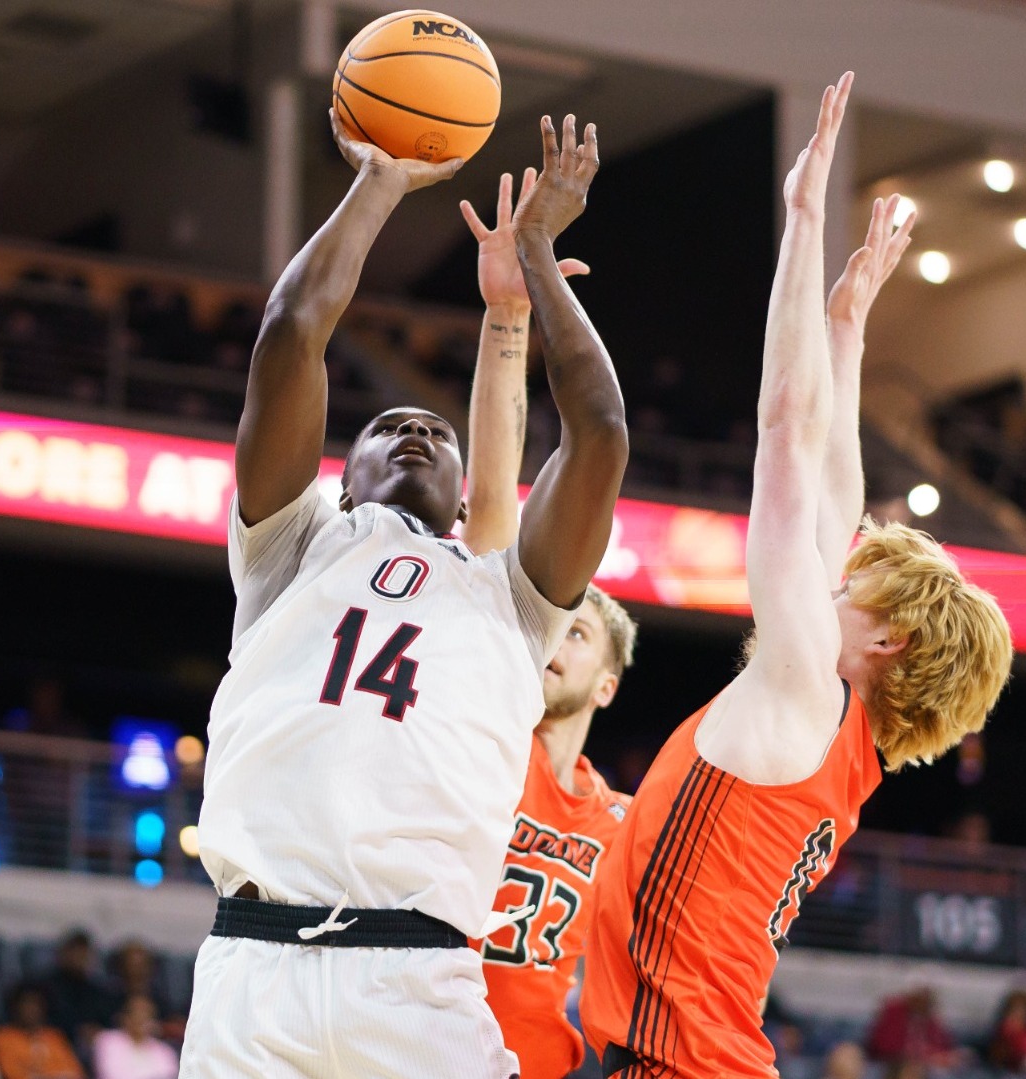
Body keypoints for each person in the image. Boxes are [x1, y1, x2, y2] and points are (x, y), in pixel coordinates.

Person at [180, 99, 628, 1079]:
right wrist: (382, 179)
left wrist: (541, 256)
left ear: (468, 495)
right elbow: (292, 329)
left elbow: (598, 433)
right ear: (339, 478)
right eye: (387, 426)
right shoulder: (290, 547)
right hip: (256, 970)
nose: (416, 431)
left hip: (419, 982)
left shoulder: (506, 595)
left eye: (438, 430)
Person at [581, 73, 1014, 1078]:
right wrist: (849, 326)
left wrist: (802, 216)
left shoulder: (802, 689)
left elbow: (788, 435)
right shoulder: (838, 737)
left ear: (886, 637)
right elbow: (829, 482)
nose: (835, 565)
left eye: (855, 576)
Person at [456, 165, 636, 1079]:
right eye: (554, 623)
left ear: (608, 682)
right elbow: (492, 497)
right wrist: (509, 318)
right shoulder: (491, 731)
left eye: (578, 635)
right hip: (426, 1042)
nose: (553, 640)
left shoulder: (623, 818)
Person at [0, 983, 85, 1079]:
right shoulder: (3, 1038)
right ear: (15, 1007)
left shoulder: (54, 1036)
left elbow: (74, 1072)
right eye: (26, 1003)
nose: (32, 1009)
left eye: (36, 1003)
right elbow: (12, 1074)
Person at [39, 931, 113, 1051]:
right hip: (57, 1042)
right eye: (76, 953)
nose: (81, 959)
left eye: (85, 954)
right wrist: (78, 1031)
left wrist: (99, 1032)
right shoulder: (46, 986)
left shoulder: (97, 989)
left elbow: (105, 1019)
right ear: (64, 954)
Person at [862, 988, 964, 1072]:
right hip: (890, 1063)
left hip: (924, 1063)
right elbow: (886, 1048)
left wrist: (946, 1057)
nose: (924, 1001)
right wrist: (928, 1057)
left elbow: (943, 1045)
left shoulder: (931, 1020)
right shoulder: (893, 1013)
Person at [91, 996, 177, 1079]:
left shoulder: (164, 1050)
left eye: (147, 1016)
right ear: (125, 1017)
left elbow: (169, 1075)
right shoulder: (107, 1041)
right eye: (137, 1014)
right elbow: (112, 1075)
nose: (142, 1019)